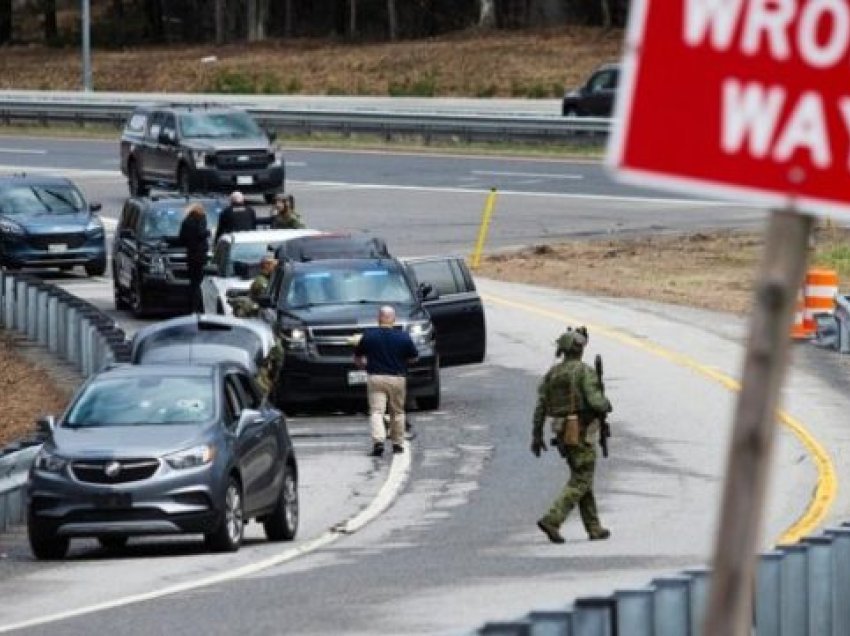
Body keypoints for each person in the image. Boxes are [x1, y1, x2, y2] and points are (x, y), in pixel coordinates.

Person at [531, 328, 613, 544]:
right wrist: (606, 405)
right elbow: (596, 402)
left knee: (582, 475)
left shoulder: (552, 374)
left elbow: (540, 407)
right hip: (581, 430)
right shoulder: (584, 372)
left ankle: (594, 527)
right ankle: (552, 519)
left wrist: (537, 435)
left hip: (562, 432)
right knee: (582, 478)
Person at [353, 305, 419, 457]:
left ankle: (378, 442)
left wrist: (365, 367)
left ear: (378, 319)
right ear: (393, 320)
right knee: (398, 412)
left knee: (376, 411)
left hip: (376, 377)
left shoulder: (369, 335)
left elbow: (357, 357)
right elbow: (414, 357)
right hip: (397, 378)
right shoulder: (403, 337)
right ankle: (397, 444)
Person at [177, 202, 209, 313]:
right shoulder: (201, 219)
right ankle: (199, 306)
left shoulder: (186, 221)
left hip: (191, 255)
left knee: (193, 282)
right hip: (200, 256)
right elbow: (201, 233)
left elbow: (181, 239)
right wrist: (208, 232)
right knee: (200, 282)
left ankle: (191, 306)